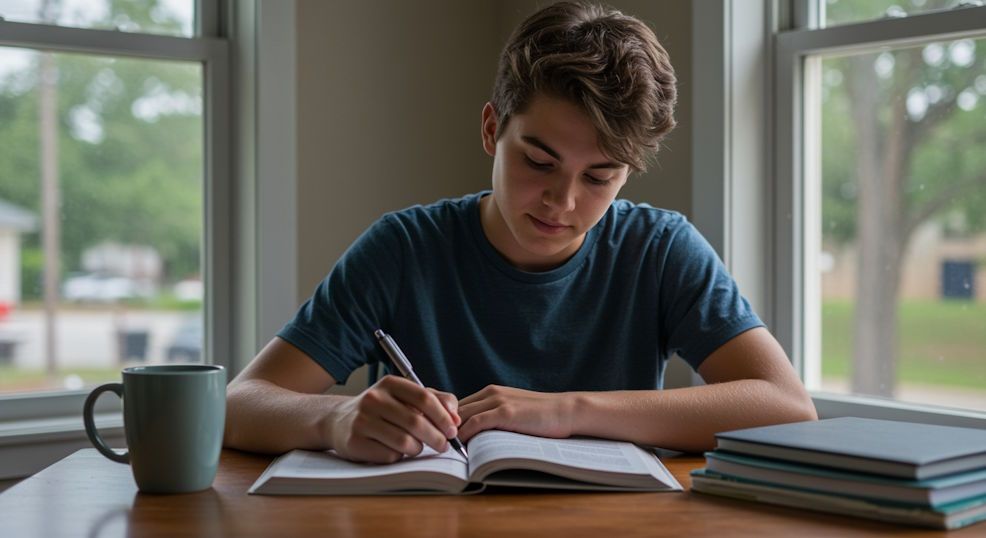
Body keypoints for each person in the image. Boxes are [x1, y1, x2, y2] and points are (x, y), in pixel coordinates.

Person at [224, 1, 817, 463]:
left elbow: (787, 408)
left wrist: (567, 410)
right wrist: (336, 420)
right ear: (491, 129)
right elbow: (240, 405)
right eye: (539, 162)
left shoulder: (660, 249)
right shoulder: (404, 248)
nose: (563, 201)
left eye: (601, 177)